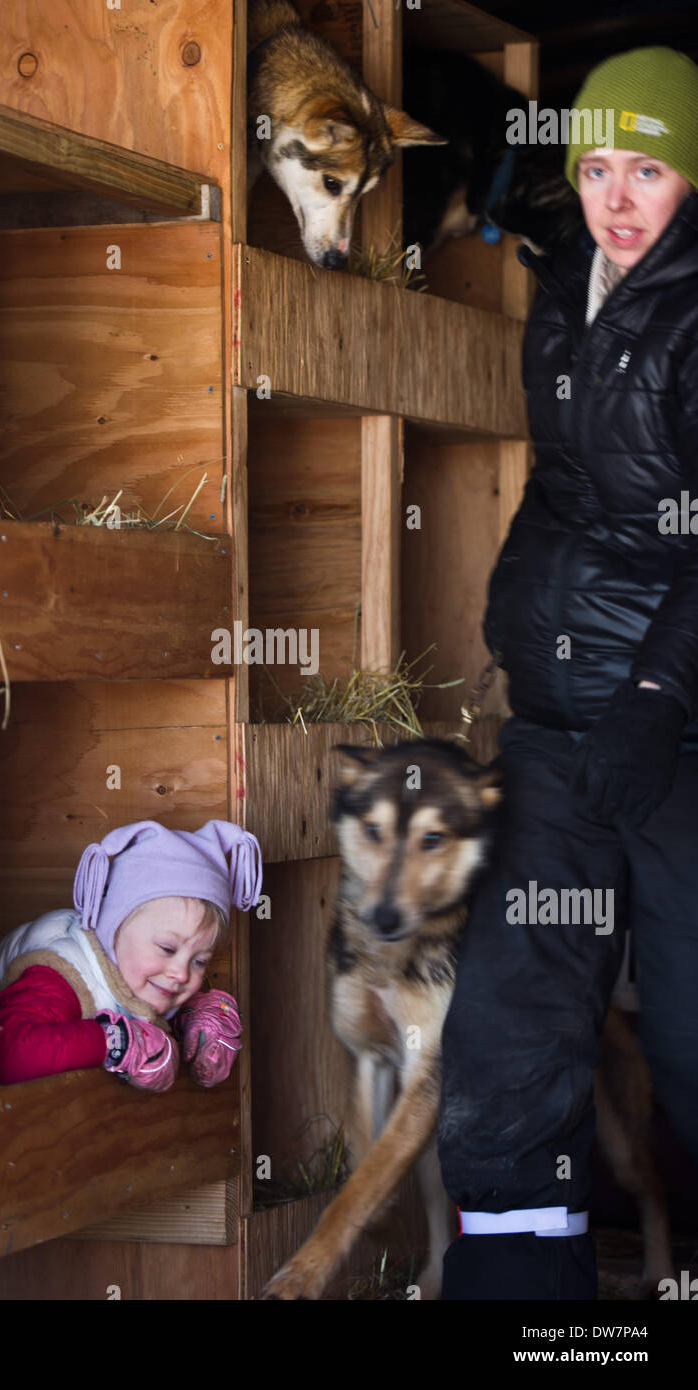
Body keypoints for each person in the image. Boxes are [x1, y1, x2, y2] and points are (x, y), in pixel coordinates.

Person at [436, 47, 698, 1299]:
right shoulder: (563, 285)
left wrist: (657, 695)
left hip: (675, 736)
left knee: (689, 1039)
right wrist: (514, 609)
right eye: (597, 169)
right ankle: (523, 1301)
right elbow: (563, 484)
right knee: (510, 1024)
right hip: (555, 728)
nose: (617, 198)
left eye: (648, 169)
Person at [0, 819, 262, 1091]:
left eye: (200, 961)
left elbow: (134, 1004)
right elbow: (8, 1056)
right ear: (114, 927)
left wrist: (194, 1018)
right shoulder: (62, 975)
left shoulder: (138, 972)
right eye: (167, 948)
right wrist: (117, 1042)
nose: (181, 973)